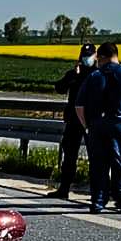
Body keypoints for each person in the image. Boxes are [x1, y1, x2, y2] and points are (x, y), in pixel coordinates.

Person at [74, 42, 121, 213]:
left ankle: (98, 201)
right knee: (120, 162)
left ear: (101, 57)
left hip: (97, 125)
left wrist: (86, 126)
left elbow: (79, 106)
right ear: (116, 55)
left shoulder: (94, 76)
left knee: (98, 165)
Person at [49, 42, 97, 198]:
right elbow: (59, 88)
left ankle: (96, 192)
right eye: (84, 56)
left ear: (95, 56)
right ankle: (64, 188)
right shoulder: (74, 74)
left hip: (92, 121)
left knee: (95, 156)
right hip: (73, 120)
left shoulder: (98, 74)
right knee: (69, 155)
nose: (86, 59)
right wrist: (73, 76)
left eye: (89, 56)